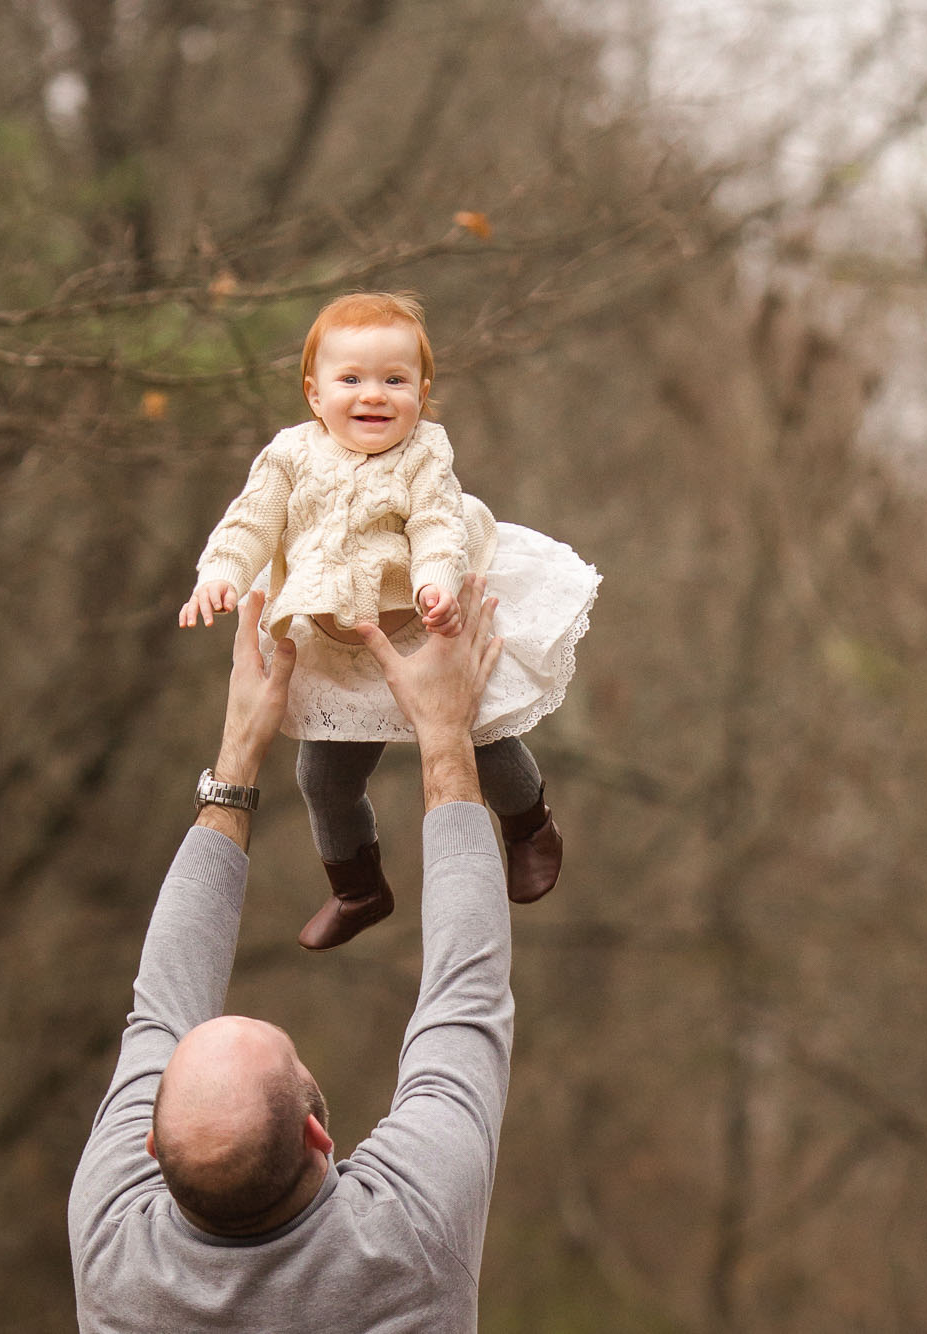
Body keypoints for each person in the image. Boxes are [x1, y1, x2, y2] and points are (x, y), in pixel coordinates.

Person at [70, 581, 516, 1333]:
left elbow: (163, 1003)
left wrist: (237, 757)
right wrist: (444, 733)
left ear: (150, 1147)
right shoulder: (408, 1238)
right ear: (317, 1133)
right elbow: (463, 997)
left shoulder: (115, 1251)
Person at [179, 290, 598, 949]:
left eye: (394, 380)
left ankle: (529, 828)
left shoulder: (424, 453)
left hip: (423, 633)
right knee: (321, 778)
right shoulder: (290, 455)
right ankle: (358, 886)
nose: (373, 395)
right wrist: (221, 575)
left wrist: (435, 585)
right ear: (315, 394)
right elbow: (251, 523)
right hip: (335, 645)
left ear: (422, 391)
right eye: (352, 380)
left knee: (482, 738)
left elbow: (438, 527)